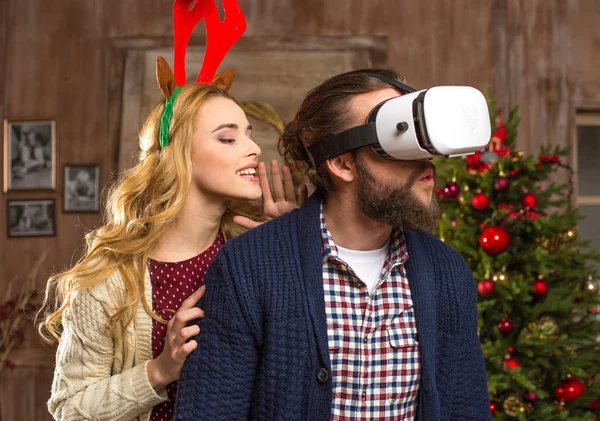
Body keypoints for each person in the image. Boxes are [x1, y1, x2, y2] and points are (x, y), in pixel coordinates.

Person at [174, 68, 491, 420]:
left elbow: (467, 410)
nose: (426, 161)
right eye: (398, 140)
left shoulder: (446, 271)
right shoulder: (248, 267)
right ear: (342, 164)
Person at [38, 79, 302, 421]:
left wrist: (294, 253)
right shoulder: (110, 278)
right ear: (179, 154)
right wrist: (160, 369)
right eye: (228, 138)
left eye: (249, 134)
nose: (253, 148)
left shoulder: (251, 252)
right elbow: (69, 409)